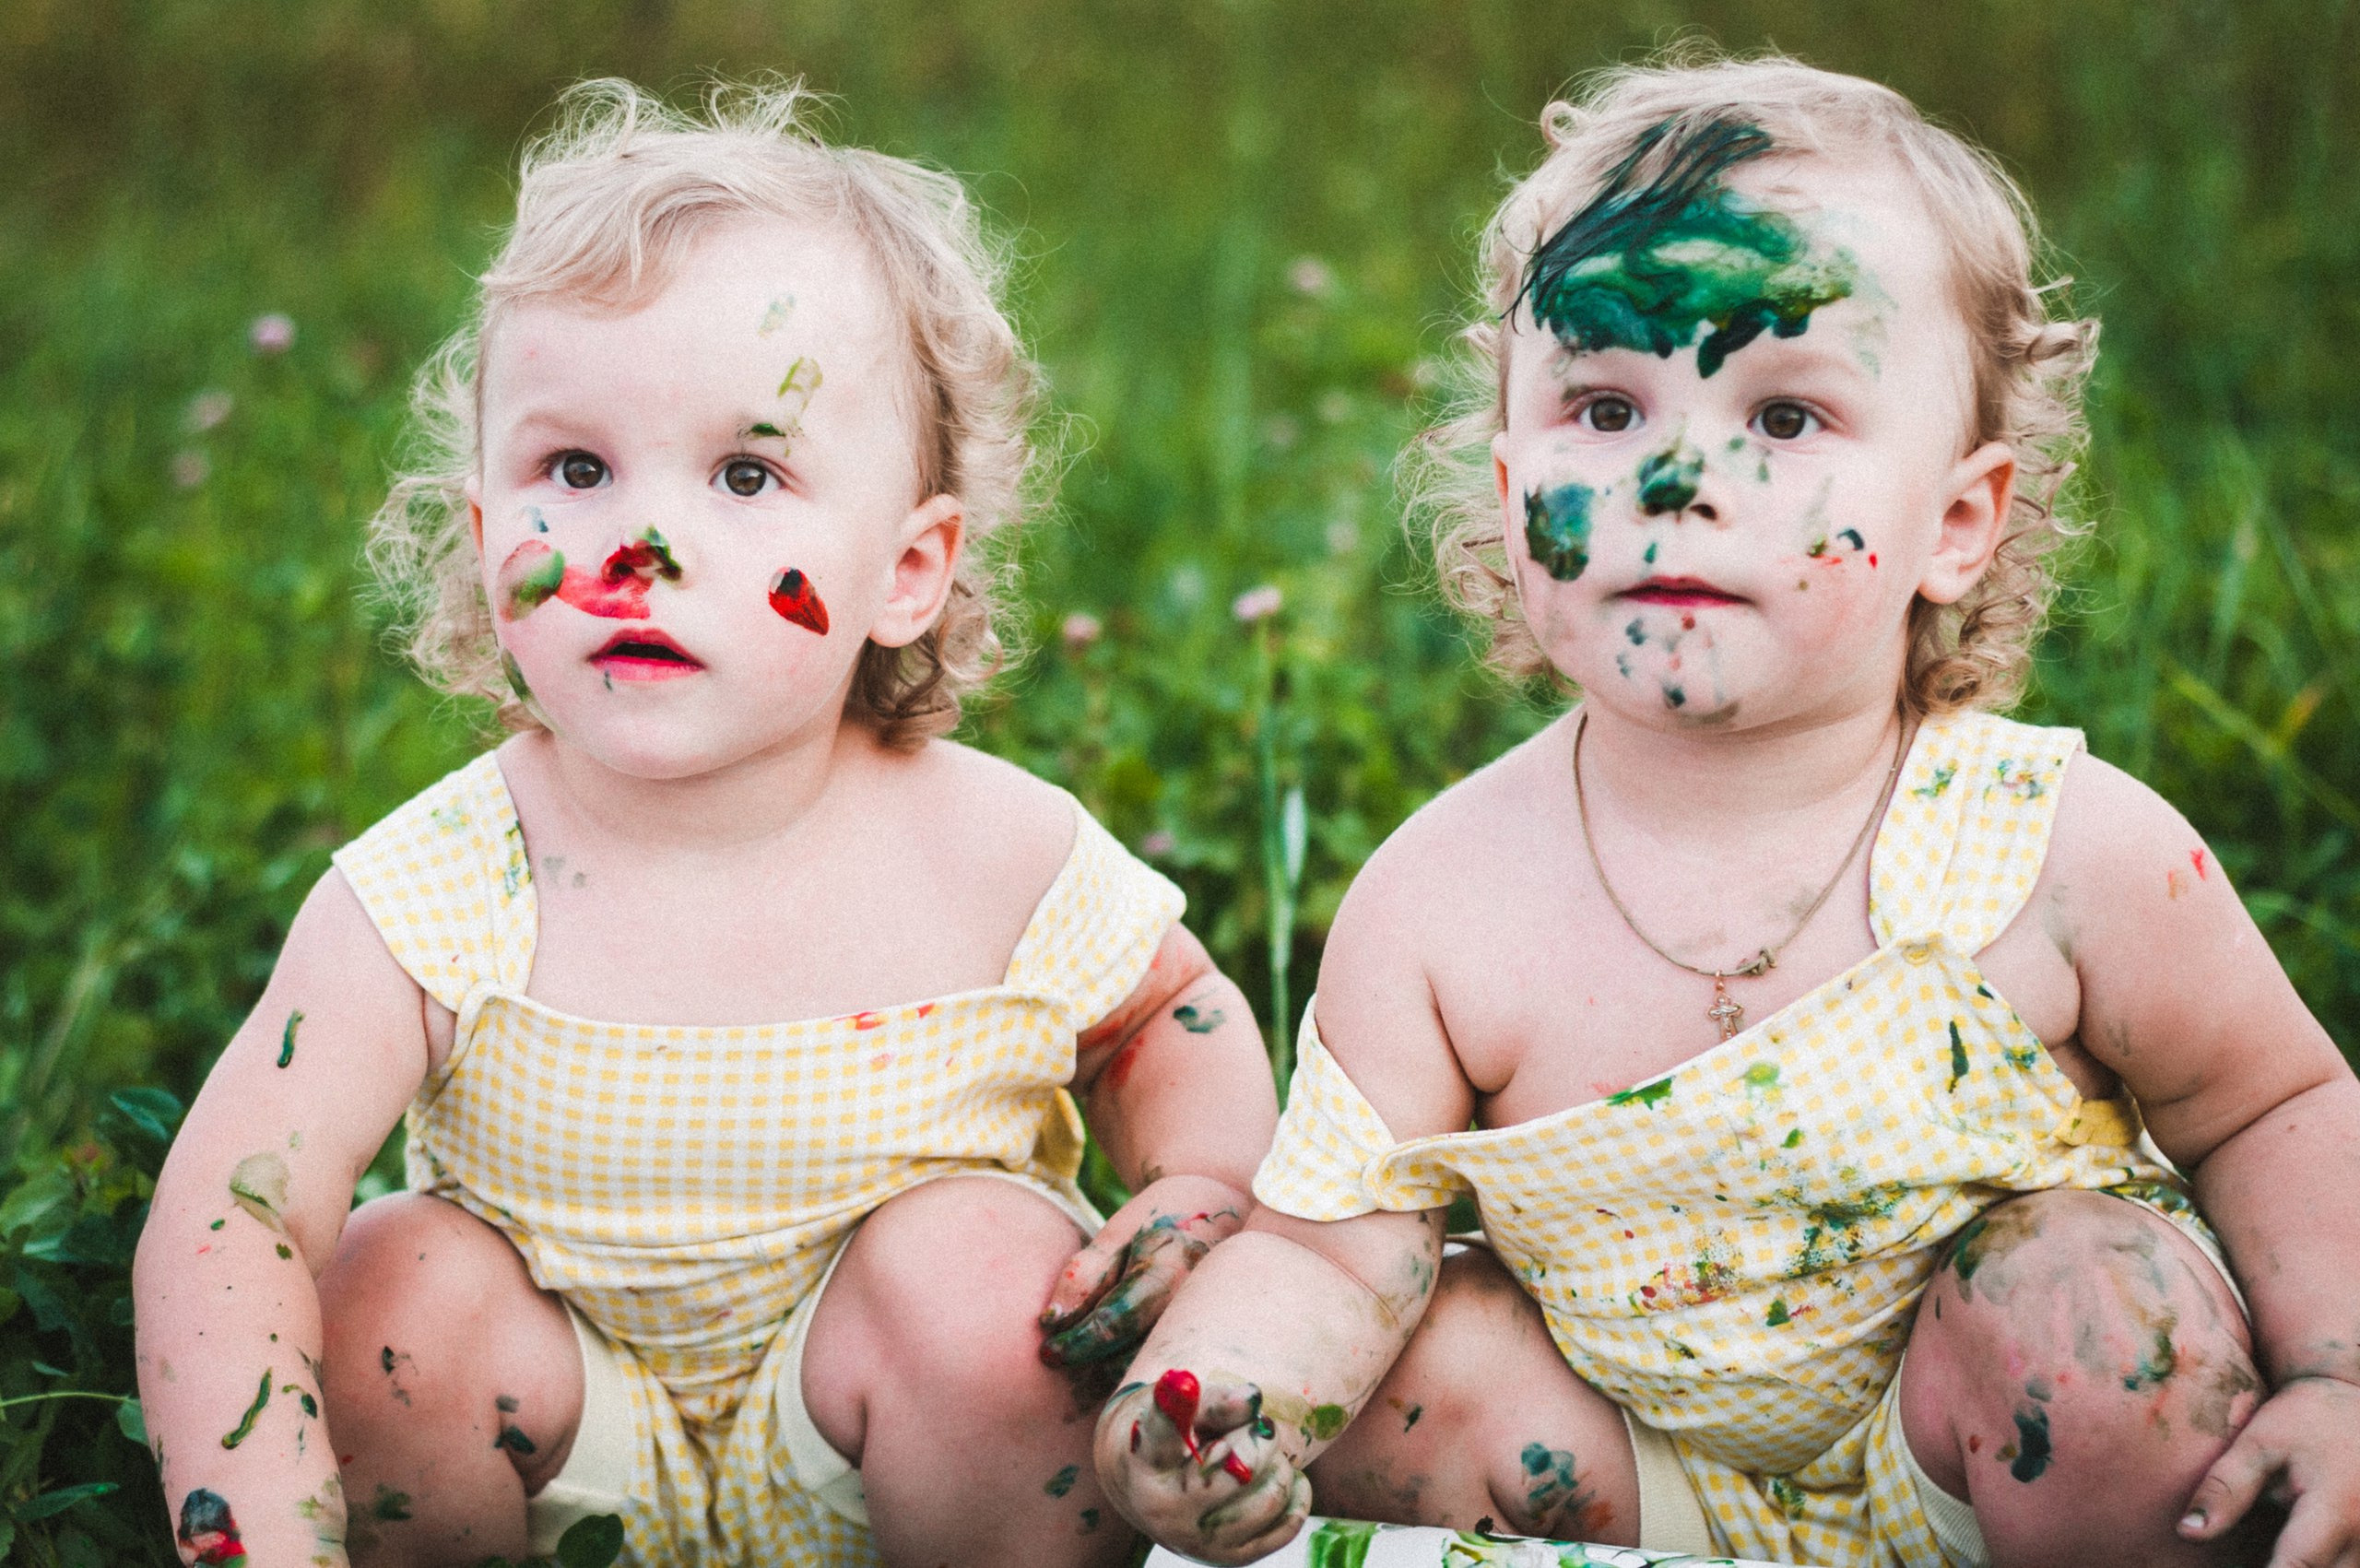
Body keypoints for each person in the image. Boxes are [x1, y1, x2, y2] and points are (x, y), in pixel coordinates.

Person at [1095, 53, 2360, 1568]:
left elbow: (2279, 1105)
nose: (1680, 478)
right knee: (1402, 1368)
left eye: (1785, 417)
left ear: (1957, 521)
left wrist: (2344, 1373)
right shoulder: (1443, 902)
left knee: (2093, 1314)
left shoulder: (2064, 848)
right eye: (1609, 406)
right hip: (1637, 1482)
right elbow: (1333, 1249)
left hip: (1998, 1461)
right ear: (1509, 493)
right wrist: (1228, 1398)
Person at [132, 79, 1277, 1568]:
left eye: (746, 473)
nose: (638, 548)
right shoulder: (433, 889)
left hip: (888, 1457)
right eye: (576, 469)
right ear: (485, 538)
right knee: (388, 1288)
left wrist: (1199, 1190)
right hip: (555, 1457)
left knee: (983, 1274)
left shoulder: (992, 852)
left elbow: (1166, 1016)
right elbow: (232, 1215)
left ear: (909, 570)